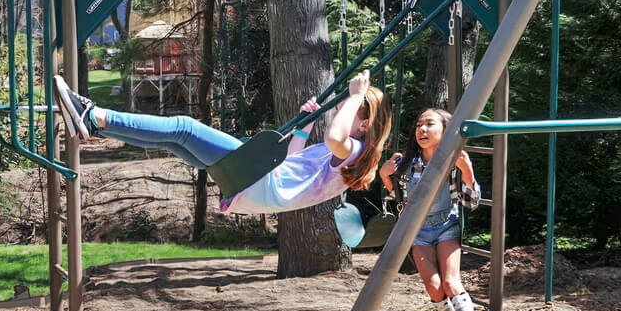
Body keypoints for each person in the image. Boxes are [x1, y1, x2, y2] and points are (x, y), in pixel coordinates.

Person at [51, 71, 391, 217]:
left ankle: (94, 115)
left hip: (258, 179)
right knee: (176, 140)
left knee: (184, 127)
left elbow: (336, 137)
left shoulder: (356, 151)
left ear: (364, 122)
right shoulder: (343, 157)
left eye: (352, 109)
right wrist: (304, 126)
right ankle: (93, 128)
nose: (344, 109)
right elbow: (291, 163)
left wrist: (356, 95)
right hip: (259, 188)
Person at [379, 107, 491, 311]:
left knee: (452, 283)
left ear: (444, 130)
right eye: (419, 125)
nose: (422, 130)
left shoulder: (454, 160)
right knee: (434, 287)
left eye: (429, 124)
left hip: (446, 227)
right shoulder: (407, 162)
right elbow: (401, 200)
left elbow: (471, 202)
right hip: (417, 231)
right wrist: (384, 177)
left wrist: (467, 172)